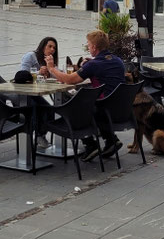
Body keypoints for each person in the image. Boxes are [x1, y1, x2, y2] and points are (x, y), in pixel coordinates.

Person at [41, 30, 126, 161]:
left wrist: (52, 69)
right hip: (120, 108)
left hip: (103, 111)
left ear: (94, 47)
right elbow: (102, 67)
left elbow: (69, 80)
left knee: (75, 106)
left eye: (88, 44)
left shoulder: (93, 65)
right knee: (84, 101)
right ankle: (111, 140)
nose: (88, 46)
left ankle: (90, 145)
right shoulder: (118, 61)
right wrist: (89, 63)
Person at [20, 36, 59, 151]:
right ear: (43, 46)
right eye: (49, 46)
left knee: (50, 110)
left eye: (54, 48)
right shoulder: (30, 56)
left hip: (36, 93)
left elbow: (55, 76)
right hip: (23, 92)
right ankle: (37, 136)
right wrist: (38, 72)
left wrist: (51, 70)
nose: (52, 49)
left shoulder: (48, 60)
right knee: (40, 110)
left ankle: (40, 135)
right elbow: (22, 75)